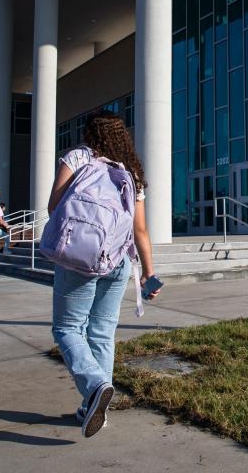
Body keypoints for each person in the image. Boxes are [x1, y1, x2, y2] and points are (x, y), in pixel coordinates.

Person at [48, 111, 158, 439]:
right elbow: (140, 229)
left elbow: (55, 205)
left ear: (90, 133)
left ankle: (95, 386)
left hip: (79, 258)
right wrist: (149, 274)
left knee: (67, 328)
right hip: (119, 260)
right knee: (102, 333)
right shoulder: (131, 173)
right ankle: (93, 407)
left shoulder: (78, 157)